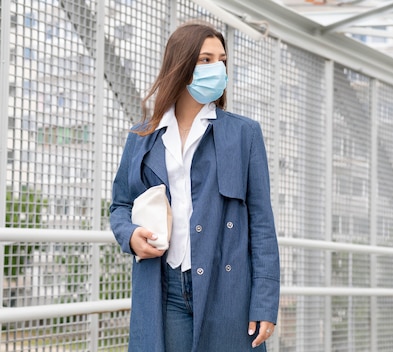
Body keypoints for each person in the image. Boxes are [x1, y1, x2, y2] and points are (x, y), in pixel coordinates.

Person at [109, 21, 280, 352]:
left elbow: (262, 224)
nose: (217, 68)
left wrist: (265, 301)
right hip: (163, 285)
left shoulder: (244, 134)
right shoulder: (142, 136)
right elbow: (120, 205)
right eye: (205, 59)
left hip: (226, 287)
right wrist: (129, 236)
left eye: (221, 60)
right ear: (181, 65)